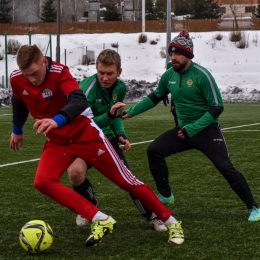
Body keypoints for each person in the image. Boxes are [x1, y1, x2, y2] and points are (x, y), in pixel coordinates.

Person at [9, 44, 184, 247]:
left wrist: (57, 120)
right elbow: (18, 100)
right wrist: (17, 129)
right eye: (27, 75)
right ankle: (100, 218)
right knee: (42, 182)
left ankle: (172, 223)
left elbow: (78, 101)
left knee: (127, 181)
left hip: (87, 137)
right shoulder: (16, 78)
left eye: (35, 73)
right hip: (58, 142)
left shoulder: (60, 72)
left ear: (44, 62)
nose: (32, 79)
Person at [122, 29, 260, 222]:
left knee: (224, 166)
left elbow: (217, 107)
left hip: (206, 130)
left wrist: (193, 128)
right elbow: (154, 97)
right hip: (182, 131)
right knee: (154, 150)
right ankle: (166, 195)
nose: (173, 57)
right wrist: (131, 111)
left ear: (188, 55)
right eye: (171, 53)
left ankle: (254, 207)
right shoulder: (169, 75)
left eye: (177, 53)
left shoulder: (202, 76)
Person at [67, 49, 167, 232]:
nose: (105, 78)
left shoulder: (120, 87)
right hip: (84, 139)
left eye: (110, 73)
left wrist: (121, 134)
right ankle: (89, 205)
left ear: (119, 72)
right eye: (101, 73)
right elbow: (85, 124)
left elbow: (116, 116)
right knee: (74, 172)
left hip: (107, 140)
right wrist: (109, 114)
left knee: (127, 179)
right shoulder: (84, 90)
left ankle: (152, 216)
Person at [163, 61, 178, 126]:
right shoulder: (170, 65)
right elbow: (169, 82)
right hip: (174, 100)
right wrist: (164, 94)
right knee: (176, 116)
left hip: (185, 101)